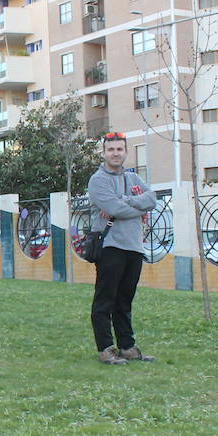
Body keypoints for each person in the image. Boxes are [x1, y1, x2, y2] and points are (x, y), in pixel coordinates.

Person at [87, 132, 158, 365]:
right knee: (105, 300)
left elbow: (152, 199)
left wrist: (123, 202)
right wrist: (132, 206)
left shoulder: (134, 178)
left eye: (119, 149)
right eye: (111, 149)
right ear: (104, 153)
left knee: (125, 300)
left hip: (134, 247)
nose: (115, 153)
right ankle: (106, 349)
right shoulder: (98, 180)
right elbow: (113, 207)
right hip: (110, 246)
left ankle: (127, 347)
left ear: (125, 152)